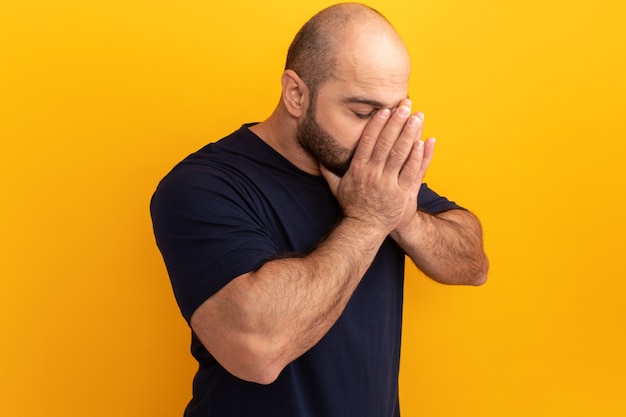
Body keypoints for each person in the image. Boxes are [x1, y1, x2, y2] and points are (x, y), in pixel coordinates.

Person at [150, 3, 489, 416]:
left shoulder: (369, 173)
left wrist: (402, 216)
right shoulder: (203, 185)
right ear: (296, 94)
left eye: (393, 113)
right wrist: (368, 220)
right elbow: (257, 351)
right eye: (362, 112)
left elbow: (473, 265)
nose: (380, 135)